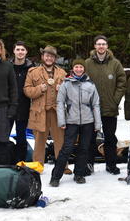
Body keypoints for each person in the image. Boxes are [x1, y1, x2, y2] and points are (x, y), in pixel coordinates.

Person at [50, 59, 101, 187]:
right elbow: (60, 103)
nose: (79, 69)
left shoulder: (90, 85)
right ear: (73, 69)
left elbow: (95, 104)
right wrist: (62, 120)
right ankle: (56, 176)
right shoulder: (66, 84)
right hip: (71, 121)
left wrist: (97, 124)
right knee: (66, 148)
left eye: (81, 67)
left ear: (84, 69)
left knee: (84, 148)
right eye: (76, 67)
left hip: (87, 121)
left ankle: (79, 174)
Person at [24, 45, 70, 173]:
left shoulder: (62, 73)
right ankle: (37, 168)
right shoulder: (33, 72)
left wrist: (62, 91)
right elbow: (27, 90)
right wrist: (39, 89)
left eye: (52, 56)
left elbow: (70, 93)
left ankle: (63, 166)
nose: (49, 58)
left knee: (60, 141)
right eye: (47, 55)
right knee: (39, 141)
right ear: (42, 57)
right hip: (40, 112)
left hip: (57, 112)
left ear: (55, 58)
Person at [85, 35, 126, 175]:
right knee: (90, 138)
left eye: (103, 44)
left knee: (110, 137)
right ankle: (89, 164)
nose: (101, 46)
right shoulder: (87, 63)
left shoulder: (115, 64)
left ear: (107, 46)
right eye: (98, 44)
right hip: (90, 109)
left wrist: (115, 100)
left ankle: (111, 164)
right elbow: (80, 82)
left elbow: (122, 82)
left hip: (110, 107)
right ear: (95, 46)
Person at [9, 41, 35, 162]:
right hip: (8, 107)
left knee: (21, 136)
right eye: (18, 49)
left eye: (22, 50)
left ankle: (20, 162)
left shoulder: (31, 68)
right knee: (3, 136)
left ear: (26, 52)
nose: (20, 52)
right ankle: (3, 162)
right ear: (14, 51)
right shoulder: (7, 66)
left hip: (24, 107)